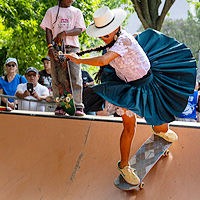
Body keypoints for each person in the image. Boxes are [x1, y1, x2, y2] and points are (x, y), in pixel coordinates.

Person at [65, 6, 197, 185]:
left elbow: (104, 60)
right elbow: (107, 59)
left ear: (115, 29)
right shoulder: (114, 42)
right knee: (129, 128)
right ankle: (124, 165)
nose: (102, 38)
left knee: (161, 122)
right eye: (101, 35)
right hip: (128, 89)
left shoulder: (123, 40)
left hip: (150, 84)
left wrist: (80, 60)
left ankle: (159, 130)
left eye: (105, 34)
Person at [40, 0, 86, 116]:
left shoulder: (77, 11)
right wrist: (50, 47)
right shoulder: (51, 11)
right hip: (56, 48)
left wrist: (64, 33)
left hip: (72, 48)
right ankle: (60, 105)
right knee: (57, 78)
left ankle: (77, 105)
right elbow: (48, 30)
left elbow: (79, 30)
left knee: (75, 76)